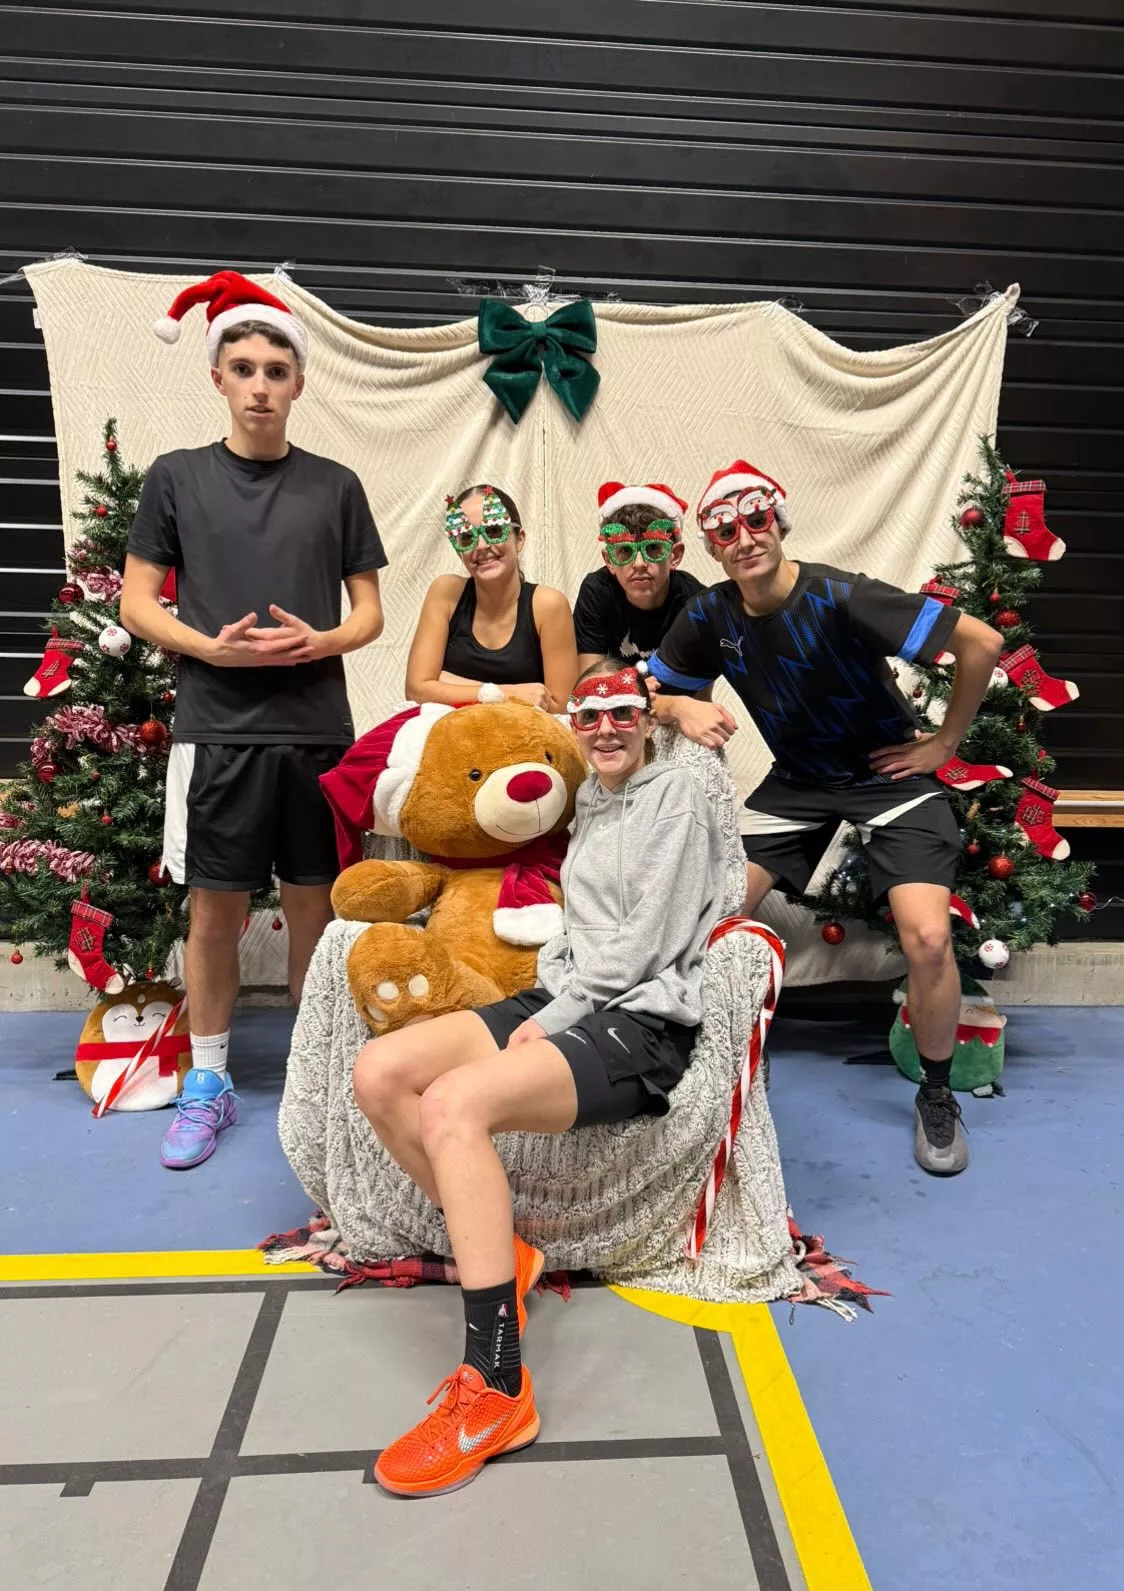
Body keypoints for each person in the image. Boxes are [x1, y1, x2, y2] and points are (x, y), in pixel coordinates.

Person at [351, 659, 725, 1497]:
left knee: (453, 1105)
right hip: (569, 997)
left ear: (648, 717)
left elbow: (645, 945)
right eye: (589, 716)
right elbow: (579, 929)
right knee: (380, 1072)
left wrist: (554, 1019)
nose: (606, 729)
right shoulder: (591, 799)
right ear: (574, 727)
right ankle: (509, 1254)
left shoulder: (676, 796)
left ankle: (497, 1389)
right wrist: (552, 996)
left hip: (640, 1021)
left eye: (623, 712)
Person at [647, 459, 1004, 1177]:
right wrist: (677, 704)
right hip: (799, 785)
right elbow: (641, 690)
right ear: (711, 547)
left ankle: (936, 1095)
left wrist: (943, 743)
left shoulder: (842, 596)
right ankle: (691, 1073)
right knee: (706, 919)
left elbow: (983, 642)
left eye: (756, 520)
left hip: (885, 779)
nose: (745, 538)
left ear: (777, 522)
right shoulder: (710, 616)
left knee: (929, 937)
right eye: (726, 530)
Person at [121, 271, 387, 1169]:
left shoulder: (336, 485)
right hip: (217, 730)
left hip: (317, 732)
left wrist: (323, 641)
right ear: (218, 378)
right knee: (214, 914)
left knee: (316, 910)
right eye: (244, 369)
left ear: (299, 382)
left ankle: (316, 1077)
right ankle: (208, 1080)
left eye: (277, 370)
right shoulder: (176, 477)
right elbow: (135, 603)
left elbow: (368, 615)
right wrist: (210, 647)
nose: (261, 385)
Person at [575, 479, 736, 750]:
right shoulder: (597, 592)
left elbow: (698, 704)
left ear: (675, 555)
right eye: (625, 551)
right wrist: (671, 704)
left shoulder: (697, 604)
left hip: (674, 725)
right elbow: (590, 690)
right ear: (609, 560)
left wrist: (673, 708)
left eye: (652, 549)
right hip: (614, 720)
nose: (639, 564)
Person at [405, 485, 576, 711]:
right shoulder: (446, 593)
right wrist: (506, 693)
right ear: (458, 550)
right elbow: (416, 690)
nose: (482, 546)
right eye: (467, 537)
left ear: (520, 539)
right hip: (448, 729)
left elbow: (561, 707)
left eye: (494, 530)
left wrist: (448, 683)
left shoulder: (547, 605)